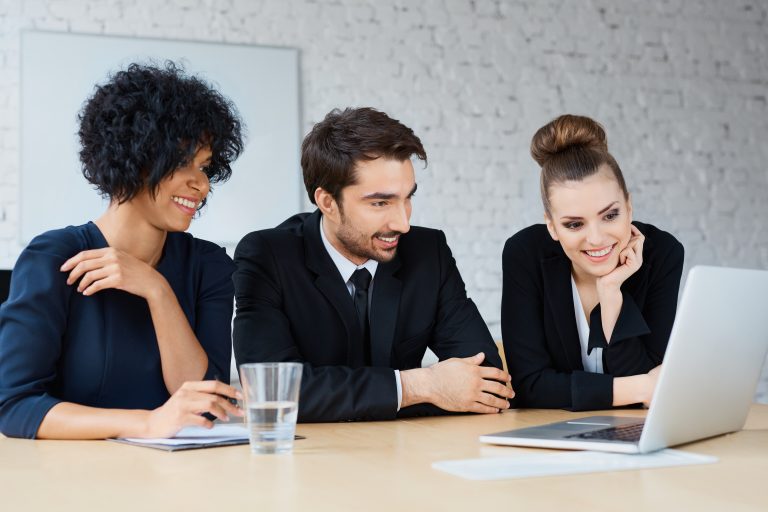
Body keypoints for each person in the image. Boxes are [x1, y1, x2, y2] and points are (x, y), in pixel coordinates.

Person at [0, 62, 245, 439]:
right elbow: (15, 406)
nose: (200, 185)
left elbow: (204, 402)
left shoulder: (209, 266)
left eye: (205, 167)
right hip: (71, 480)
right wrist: (147, 423)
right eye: (182, 163)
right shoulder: (53, 258)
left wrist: (157, 290)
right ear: (132, 159)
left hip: (181, 480)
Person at [233, 107, 513, 422]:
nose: (403, 223)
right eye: (380, 203)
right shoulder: (268, 256)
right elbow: (269, 394)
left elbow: (487, 381)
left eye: (408, 198)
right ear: (327, 202)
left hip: (404, 454)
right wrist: (420, 385)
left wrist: (333, 396)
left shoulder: (427, 252)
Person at [501, 114, 684, 411]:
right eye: (574, 224)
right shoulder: (526, 254)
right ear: (551, 226)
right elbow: (530, 386)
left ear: (629, 205)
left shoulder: (662, 254)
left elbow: (649, 390)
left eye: (610, 215)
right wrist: (637, 388)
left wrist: (611, 293)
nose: (597, 239)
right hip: (546, 433)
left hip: (634, 434)